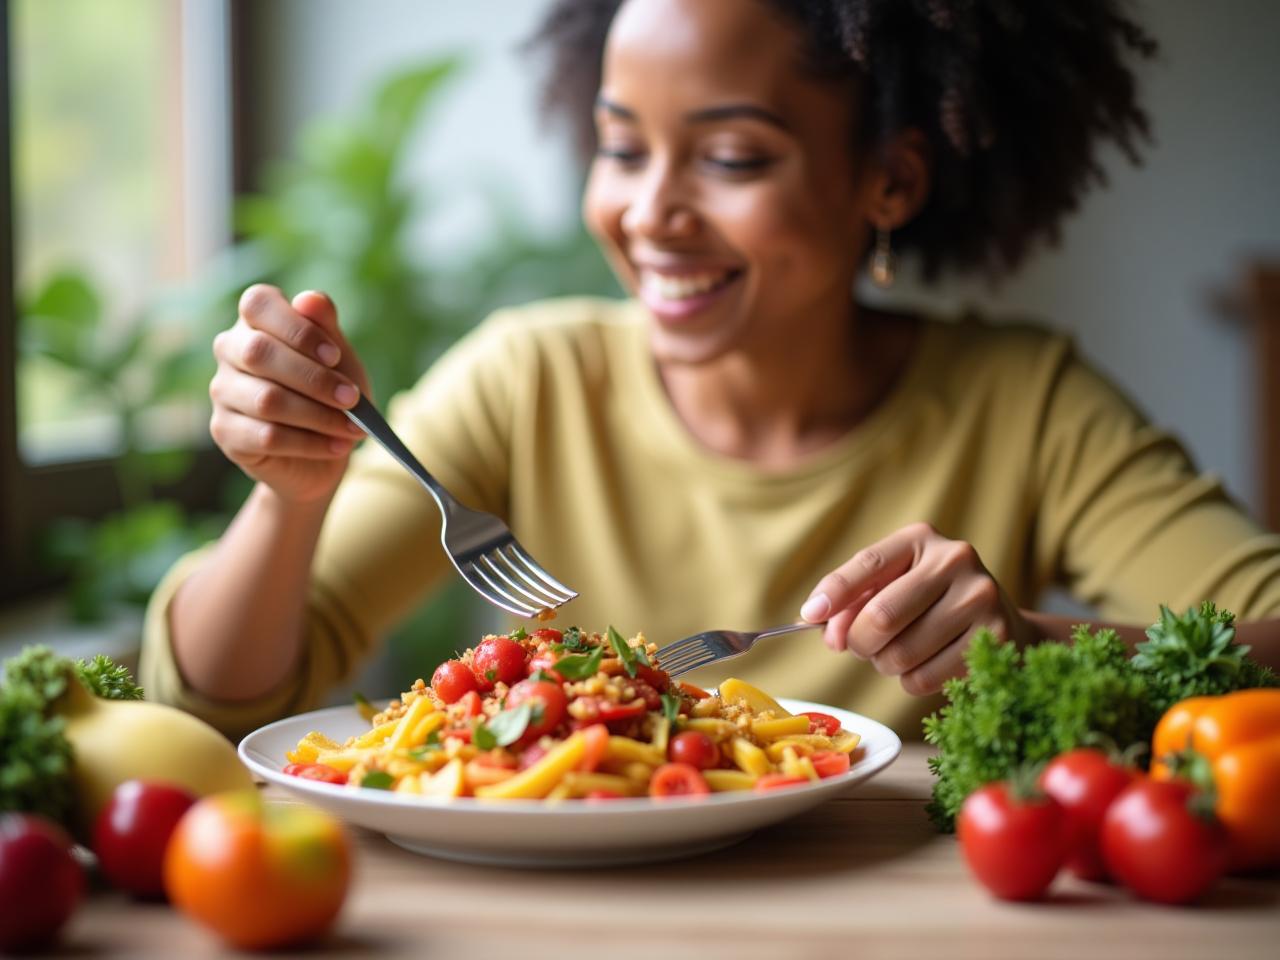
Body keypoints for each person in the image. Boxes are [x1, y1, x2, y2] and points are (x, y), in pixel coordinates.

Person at [140, 0, 1280, 740]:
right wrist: (289, 502)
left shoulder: (1022, 404)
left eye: (731, 157)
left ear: (888, 181)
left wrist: (1035, 643)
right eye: (620, 145)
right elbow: (217, 698)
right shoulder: (526, 381)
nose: (648, 213)